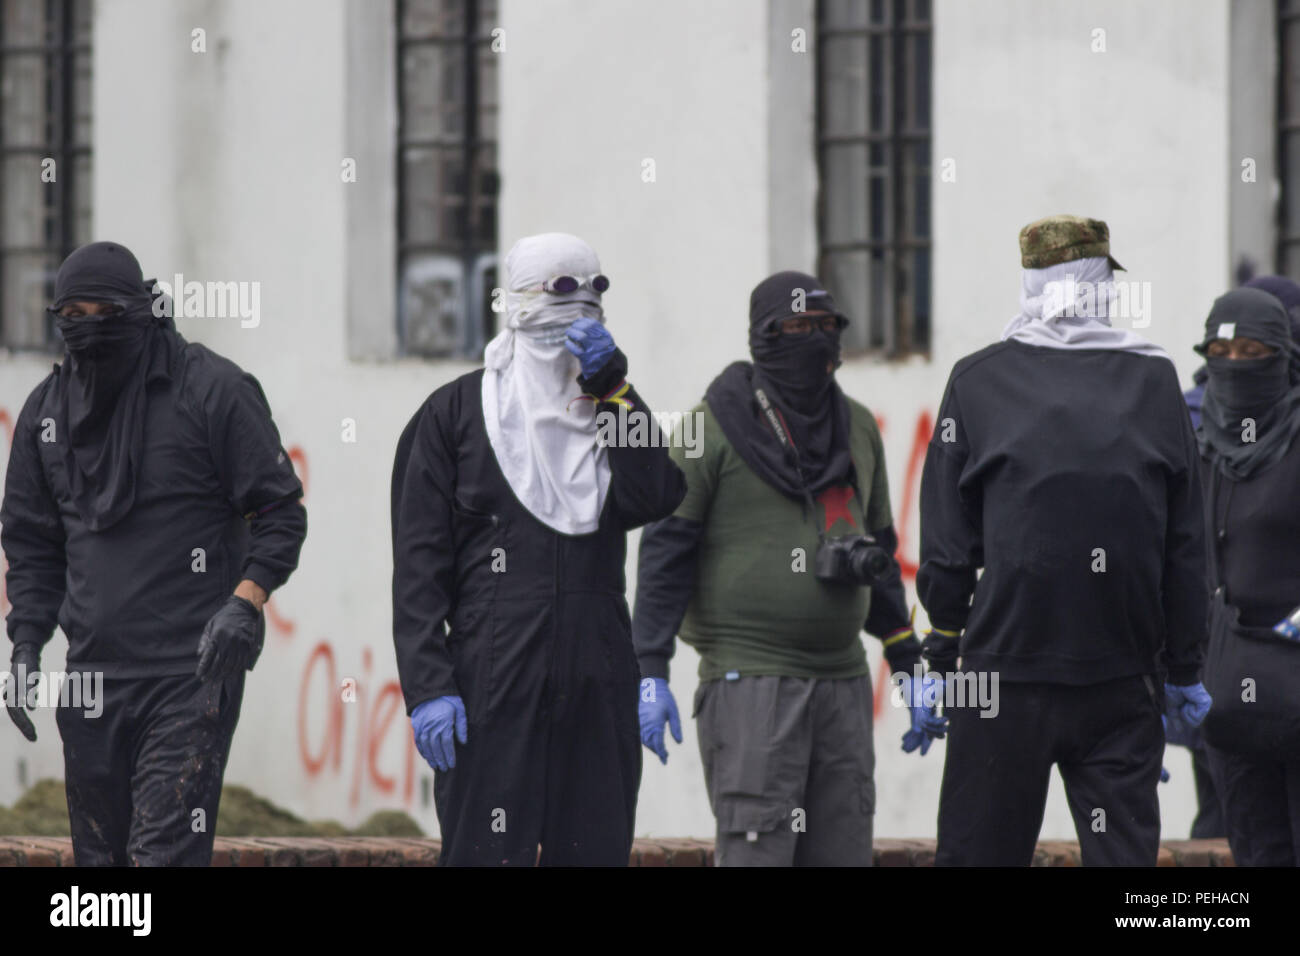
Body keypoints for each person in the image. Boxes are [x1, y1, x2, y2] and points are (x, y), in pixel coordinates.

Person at [917, 215, 1211, 866]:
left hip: (1002, 674)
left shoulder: (978, 380)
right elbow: (1184, 541)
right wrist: (1185, 667)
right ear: (1101, 281)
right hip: (1124, 675)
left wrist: (939, 650)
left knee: (978, 854)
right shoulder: (1154, 380)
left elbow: (947, 541)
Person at [1, 240, 307, 866]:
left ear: (141, 309)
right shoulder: (45, 416)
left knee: (159, 859)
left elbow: (279, 511)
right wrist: (27, 643)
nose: (89, 333)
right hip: (89, 682)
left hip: (188, 677)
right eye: (73, 317)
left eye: (106, 314)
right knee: (101, 874)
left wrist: (245, 602)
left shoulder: (212, 391)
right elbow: (33, 543)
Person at [391, 232, 685, 866]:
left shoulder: (608, 410)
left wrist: (615, 389)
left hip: (597, 671)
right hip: (492, 678)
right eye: (557, 298)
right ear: (519, 304)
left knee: (594, 850)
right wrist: (428, 687)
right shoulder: (455, 416)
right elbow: (418, 569)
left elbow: (657, 493)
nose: (571, 322)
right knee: (486, 853)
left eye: (589, 300)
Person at [632, 270, 942, 867]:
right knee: (758, 853)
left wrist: (908, 663)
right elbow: (665, 552)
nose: (817, 339)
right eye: (799, 327)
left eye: (827, 327)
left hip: (843, 686)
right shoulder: (706, 428)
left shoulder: (855, 427)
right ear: (766, 337)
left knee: (844, 851)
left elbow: (875, 549)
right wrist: (649, 668)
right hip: (751, 684)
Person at [1194, 287, 1300, 866]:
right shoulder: (1200, 446)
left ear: (1282, 356)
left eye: (1251, 349)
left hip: (1295, 683)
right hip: (1232, 704)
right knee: (1257, 855)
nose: (1234, 364)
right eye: (1221, 349)